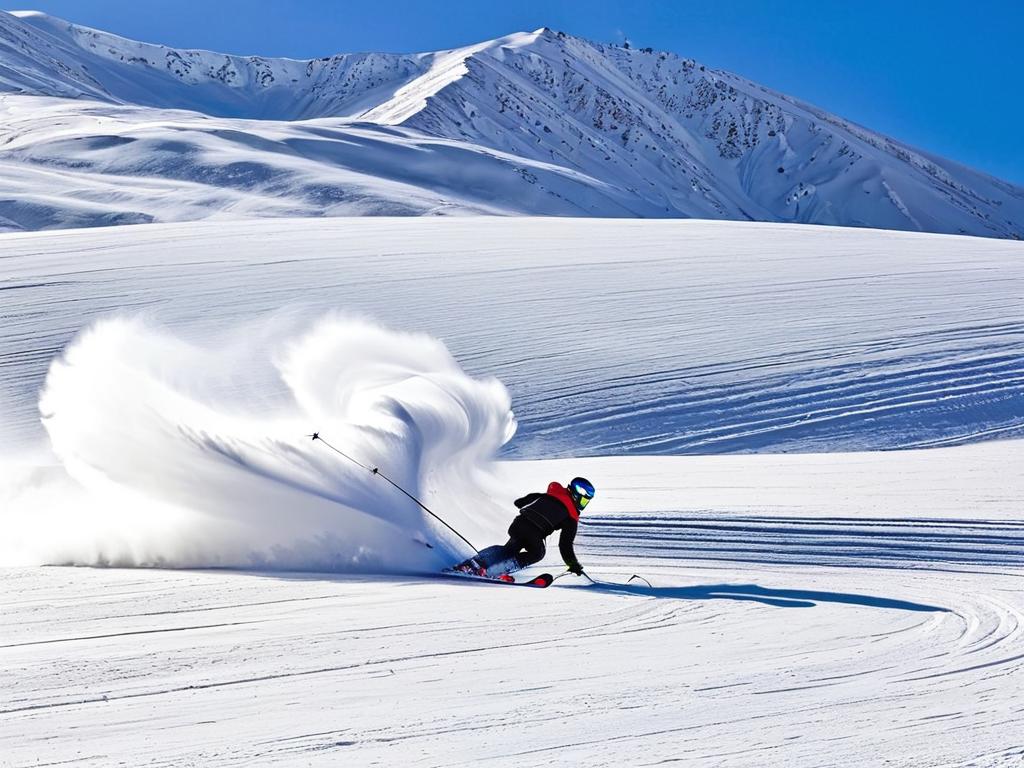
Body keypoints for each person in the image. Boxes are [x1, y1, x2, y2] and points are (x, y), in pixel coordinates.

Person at [454, 477, 595, 577]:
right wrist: (573, 564)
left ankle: (471, 564)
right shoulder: (571, 516)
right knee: (537, 553)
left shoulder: (547, 495)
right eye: (584, 500)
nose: (583, 504)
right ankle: (495, 571)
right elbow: (565, 545)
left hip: (518, 524)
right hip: (534, 533)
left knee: (509, 549)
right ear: (577, 495)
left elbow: (521, 502)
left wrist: (529, 503)